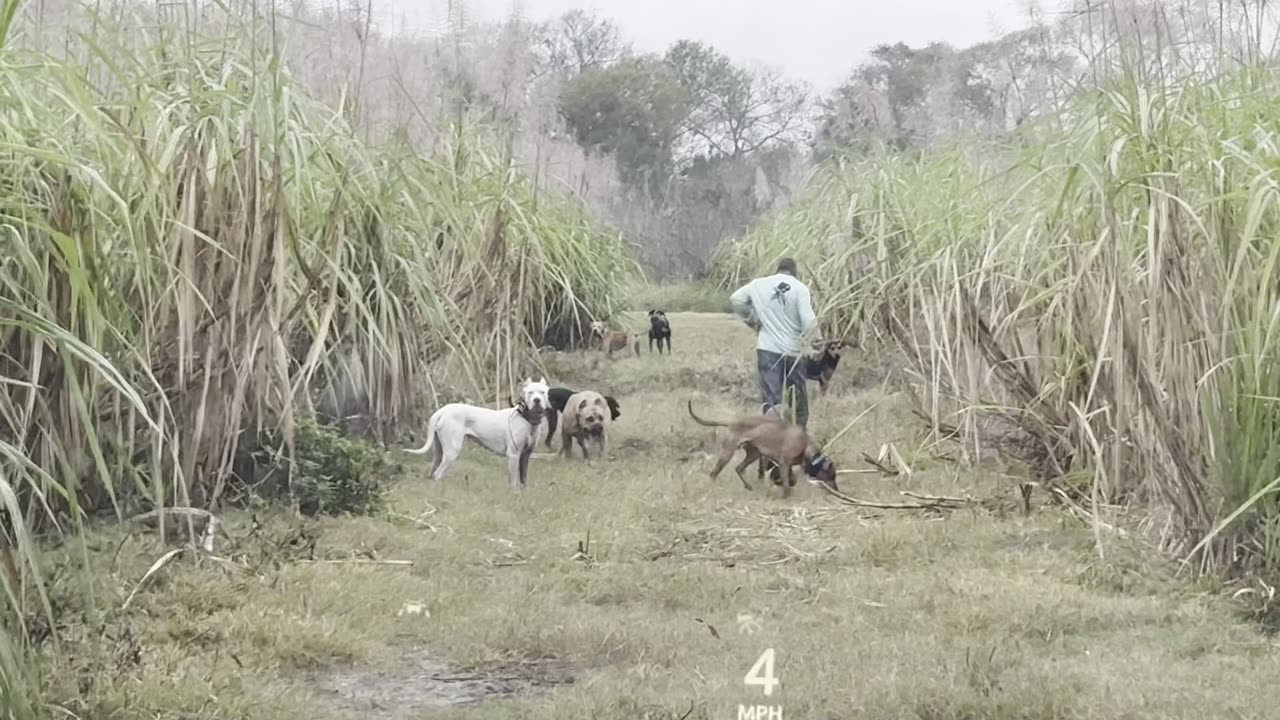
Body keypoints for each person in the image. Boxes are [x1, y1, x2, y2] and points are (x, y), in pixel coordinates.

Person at [729, 256, 818, 429]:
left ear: (777, 270)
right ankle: (799, 436)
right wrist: (816, 342)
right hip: (794, 351)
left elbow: (736, 299)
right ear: (795, 272)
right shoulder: (800, 288)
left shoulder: (758, 284)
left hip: (767, 349)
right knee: (797, 397)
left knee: (771, 399)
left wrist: (752, 319)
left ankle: (771, 441)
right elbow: (809, 322)